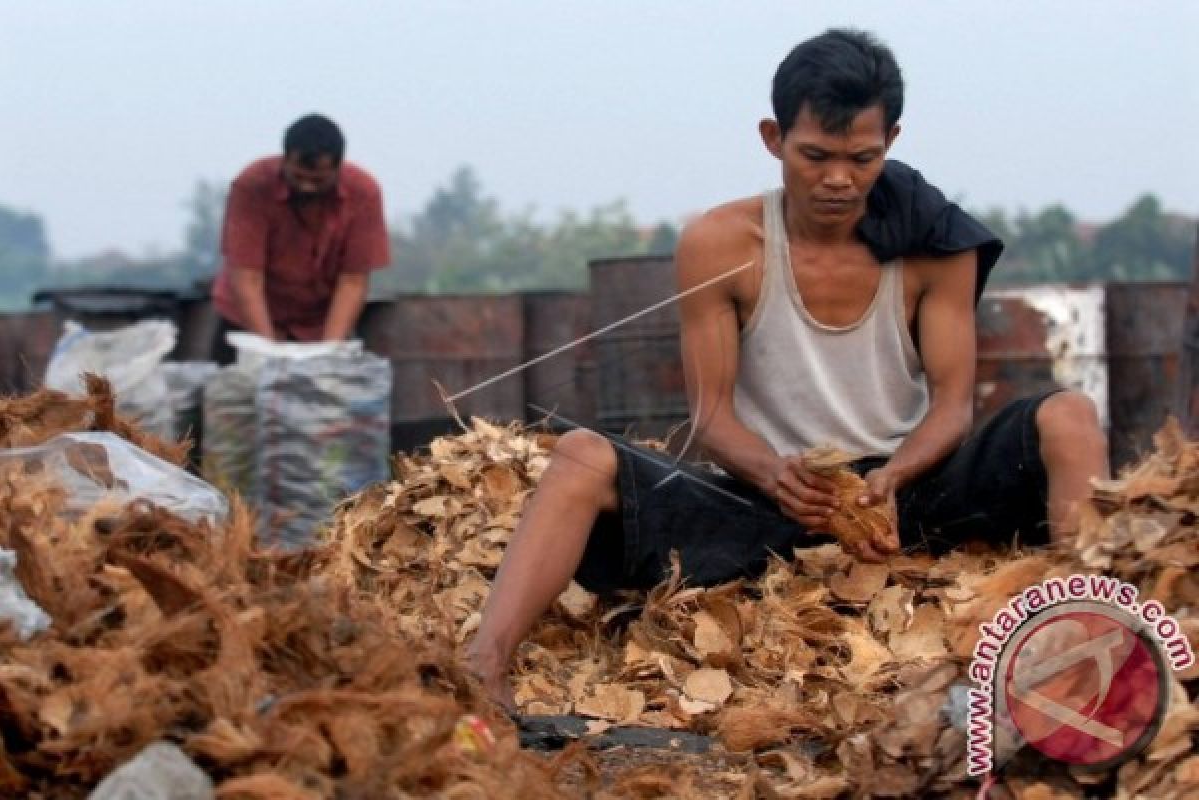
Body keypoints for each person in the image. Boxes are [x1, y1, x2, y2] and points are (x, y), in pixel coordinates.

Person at [467, 29, 1109, 709]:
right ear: (773, 138)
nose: (838, 179)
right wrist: (777, 474)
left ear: (891, 138)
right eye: (815, 157)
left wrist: (893, 475)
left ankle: (1094, 628)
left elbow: (952, 405)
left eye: (861, 158)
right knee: (580, 456)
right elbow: (711, 417)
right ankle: (483, 670)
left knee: (1067, 415)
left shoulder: (934, 243)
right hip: (768, 499)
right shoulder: (720, 243)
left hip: (904, 497)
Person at [210, 114, 390, 365]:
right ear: (284, 160)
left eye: (318, 180)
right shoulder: (252, 185)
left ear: (338, 168)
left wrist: (328, 355)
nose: (306, 187)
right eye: (298, 176)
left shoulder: (364, 193)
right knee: (234, 398)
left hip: (319, 325)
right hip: (248, 323)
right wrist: (270, 354)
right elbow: (247, 277)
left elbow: (352, 281)